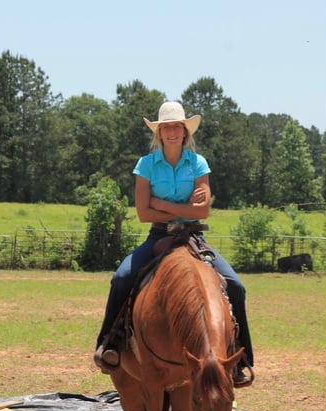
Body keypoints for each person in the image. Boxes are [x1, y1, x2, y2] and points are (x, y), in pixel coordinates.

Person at [93, 101, 254, 386]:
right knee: (122, 277)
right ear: (159, 132)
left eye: (176, 127)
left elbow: (202, 212)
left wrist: (160, 202)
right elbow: (144, 214)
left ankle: (241, 359)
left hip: (194, 236)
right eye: (166, 127)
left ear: (184, 132)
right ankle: (110, 343)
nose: (171, 132)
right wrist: (180, 208)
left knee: (236, 286)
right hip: (159, 235)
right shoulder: (145, 164)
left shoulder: (198, 163)